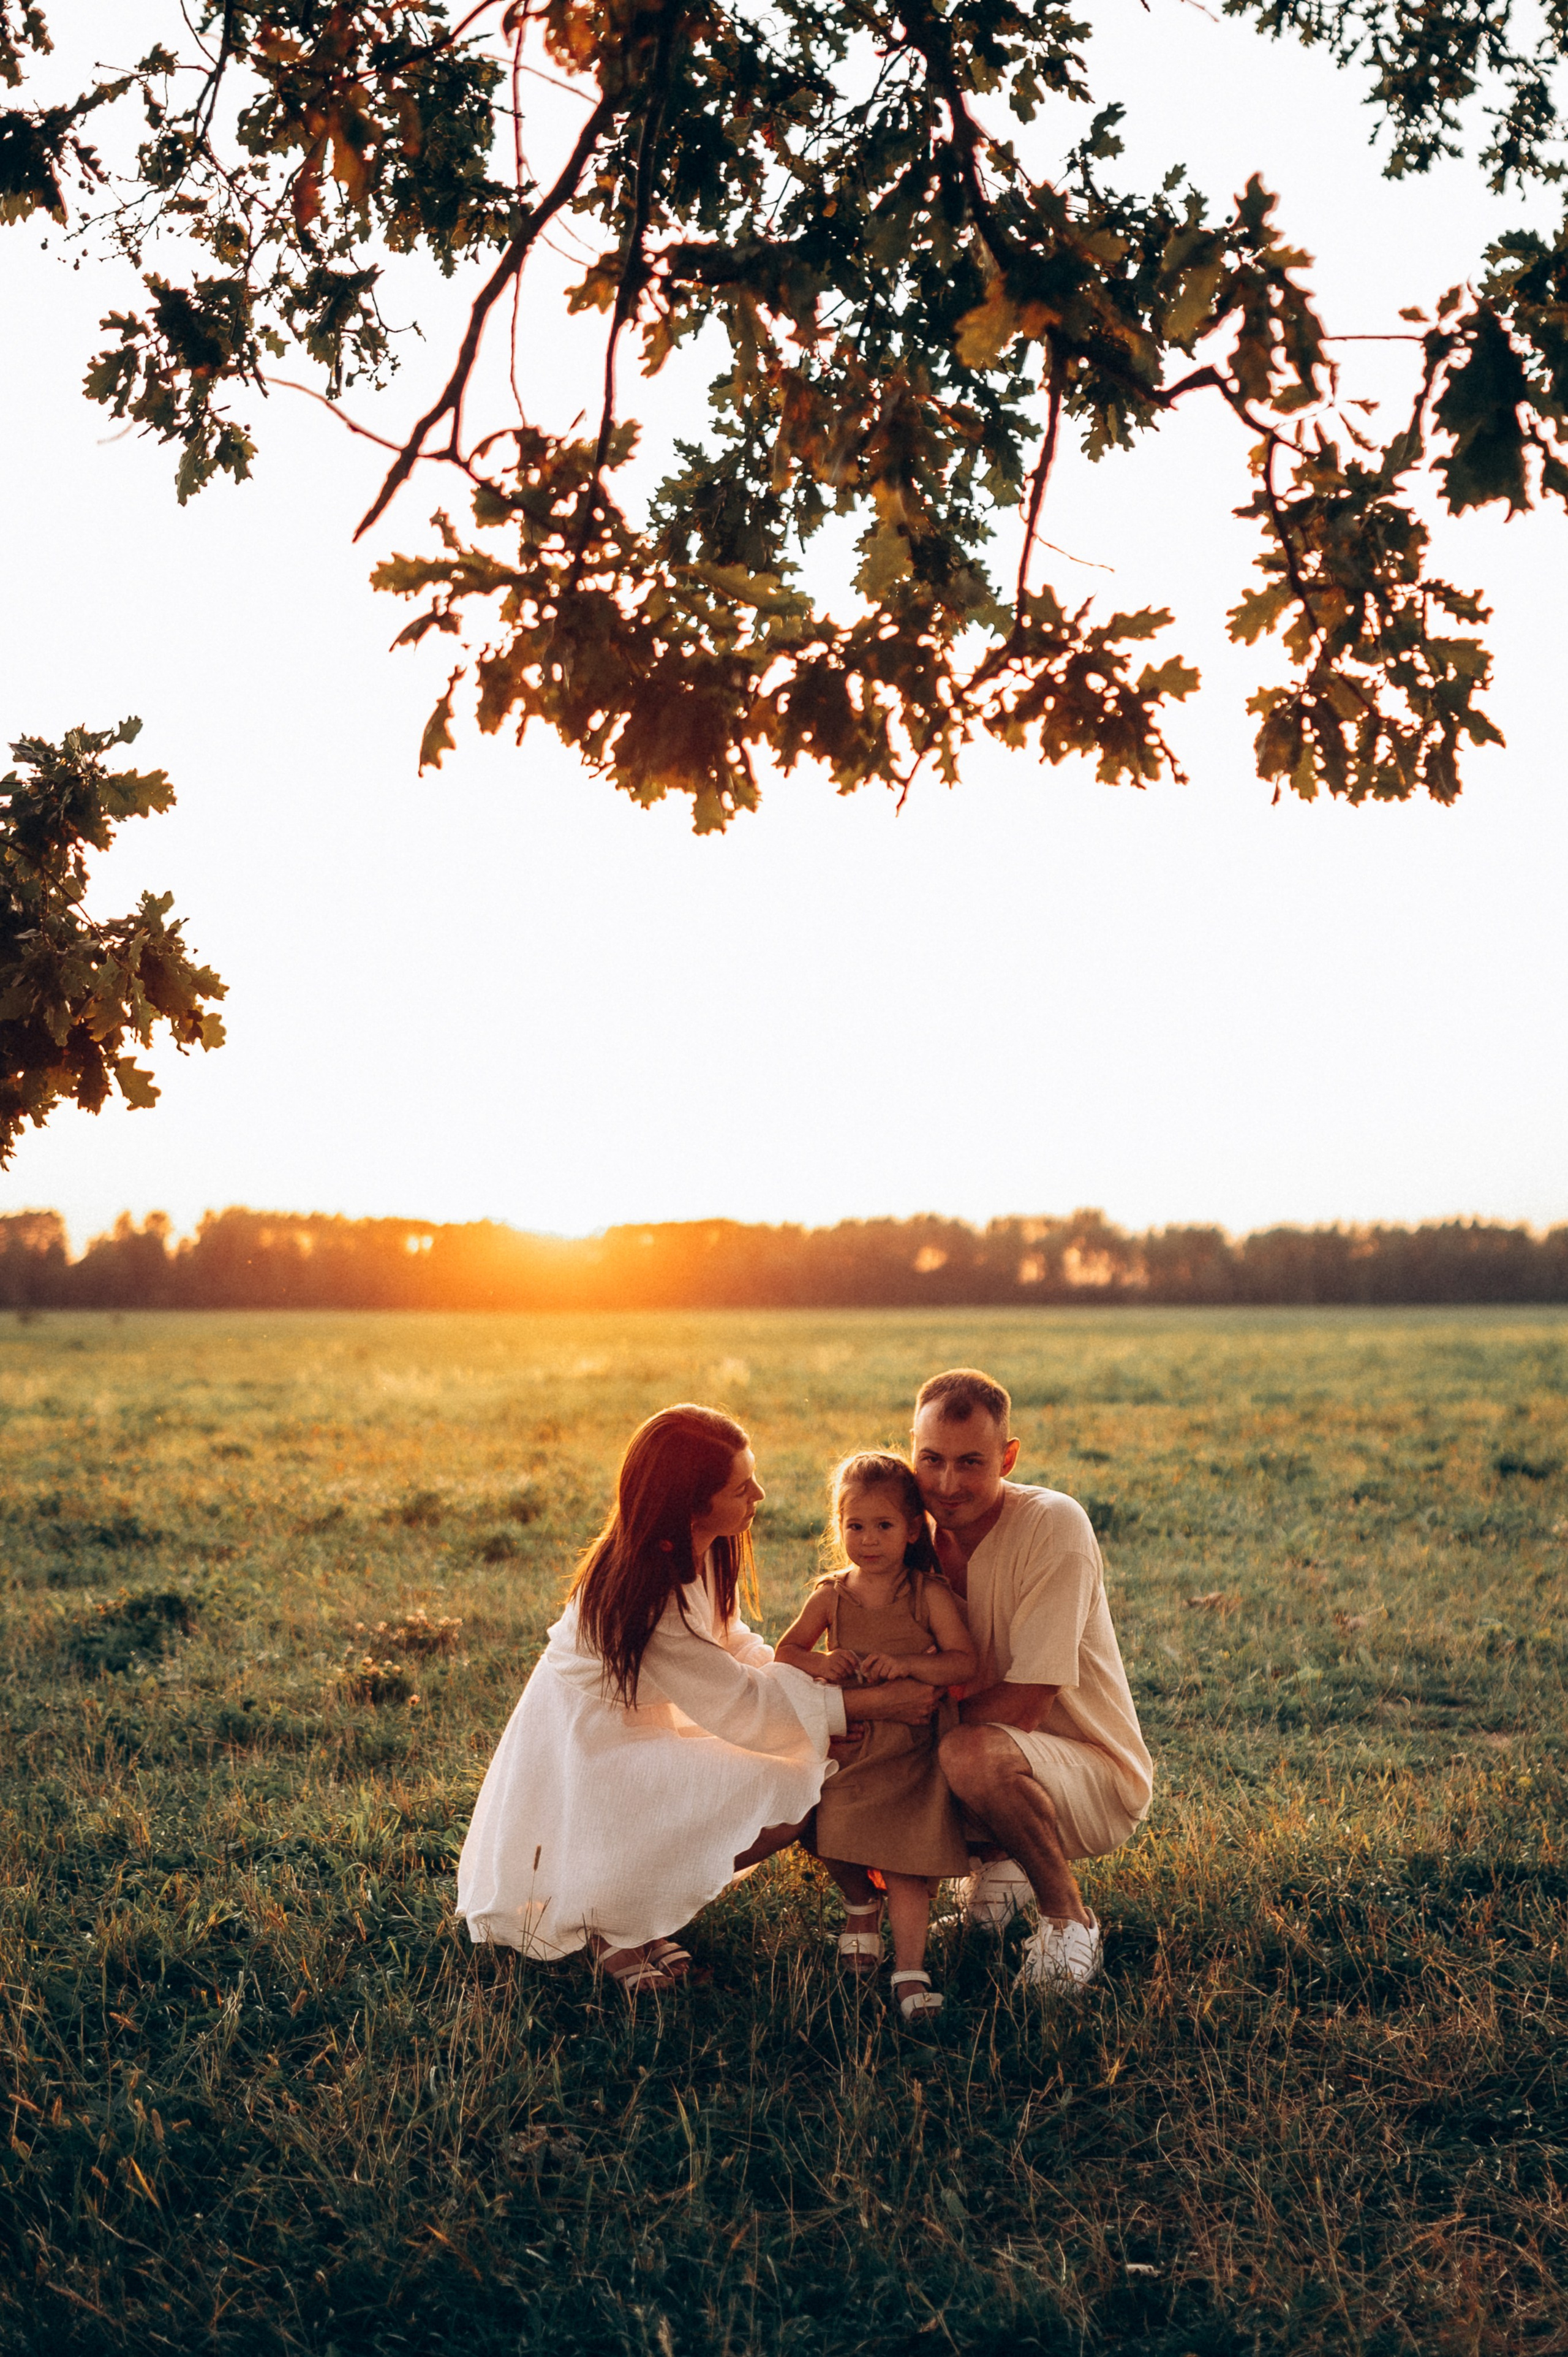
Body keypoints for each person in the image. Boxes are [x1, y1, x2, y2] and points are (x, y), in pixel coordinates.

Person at [455, 1403, 939, 1998]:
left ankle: (637, 1912)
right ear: (693, 1501)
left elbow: (731, 1641)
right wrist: (869, 1706)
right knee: (780, 1793)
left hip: (650, 1726)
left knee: (788, 1776)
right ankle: (616, 1925)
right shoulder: (647, 1585)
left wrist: (821, 1695)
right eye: (741, 1486)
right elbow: (738, 1701)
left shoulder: (703, 1543)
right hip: (588, 1753)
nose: (759, 1493)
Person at [912, 1368, 1154, 1992]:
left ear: (1008, 1455)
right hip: (988, 1753)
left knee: (967, 1751)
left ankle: (1069, 1922)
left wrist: (895, 1729)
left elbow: (1026, 1702)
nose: (947, 1483)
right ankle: (998, 1876)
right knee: (856, 1749)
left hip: (1089, 1770)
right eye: (931, 1459)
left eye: (970, 1462)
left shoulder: (1053, 1524)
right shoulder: (904, 1530)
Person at [774, 1453, 977, 2022]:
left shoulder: (926, 1593)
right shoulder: (831, 1595)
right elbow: (785, 1653)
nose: (868, 1540)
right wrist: (822, 1663)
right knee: (825, 1827)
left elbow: (964, 1662)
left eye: (884, 1526)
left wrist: (911, 1662)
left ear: (913, 1530)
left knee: (907, 1861)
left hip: (912, 1749)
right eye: (854, 1526)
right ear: (838, 1527)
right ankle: (862, 1899)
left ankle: (911, 1970)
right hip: (855, 1743)